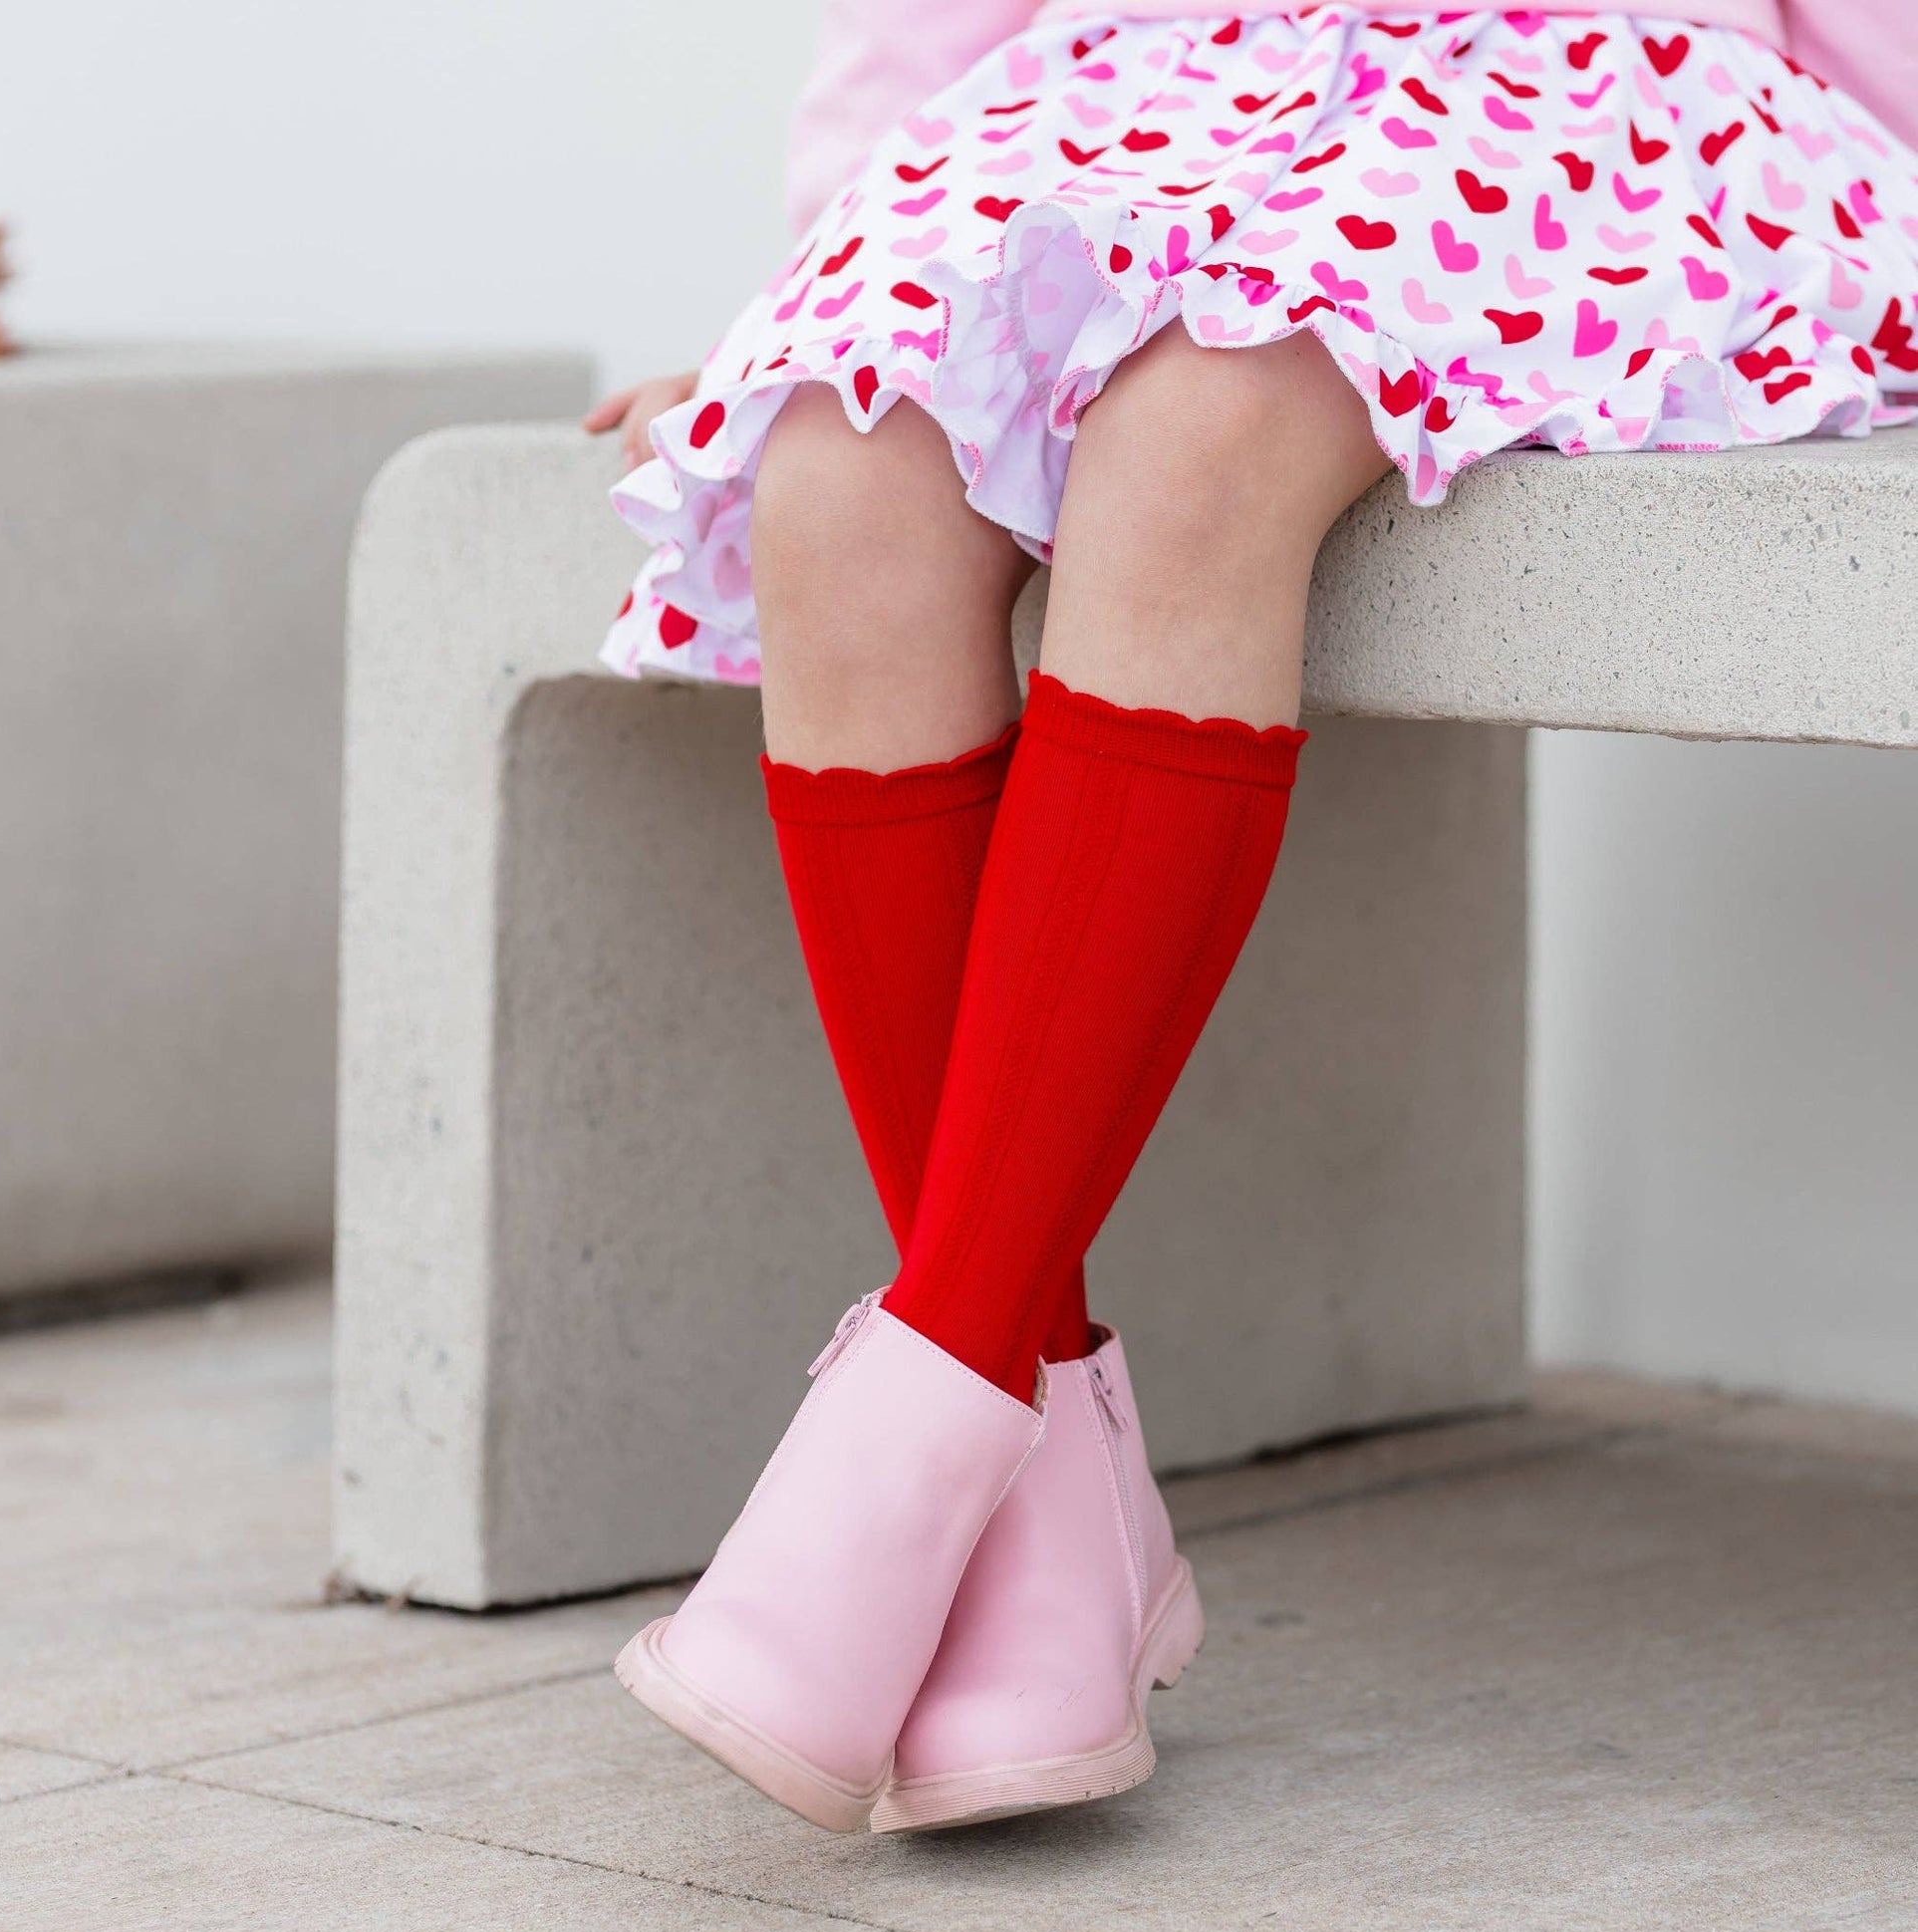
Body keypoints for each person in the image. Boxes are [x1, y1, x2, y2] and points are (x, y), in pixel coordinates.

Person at [588, 0, 1918, 1833]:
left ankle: (898, 1450)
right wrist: (811, 283)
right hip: (1130, 89)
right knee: (837, 466)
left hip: (1587, 107)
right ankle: (1040, 1494)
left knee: (1206, 424)